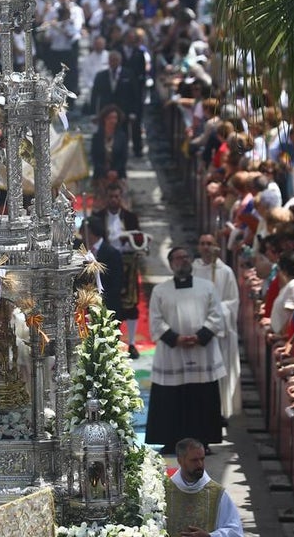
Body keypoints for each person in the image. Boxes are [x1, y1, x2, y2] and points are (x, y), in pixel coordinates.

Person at [147, 247, 226, 454]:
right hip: (173, 353)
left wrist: (200, 336)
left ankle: (203, 441)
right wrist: (176, 338)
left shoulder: (207, 287)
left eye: (186, 257)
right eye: (178, 258)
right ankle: (170, 439)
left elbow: (216, 315)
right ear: (171, 263)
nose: (183, 261)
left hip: (202, 351)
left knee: (201, 397)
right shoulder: (160, 291)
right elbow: (155, 320)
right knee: (171, 398)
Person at [92, 183, 144, 358]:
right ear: (106, 197)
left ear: (121, 197)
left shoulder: (130, 217)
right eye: (111, 196)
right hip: (107, 263)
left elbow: (138, 239)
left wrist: (127, 239)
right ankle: (106, 339)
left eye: (117, 196)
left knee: (130, 302)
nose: (114, 200)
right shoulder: (98, 216)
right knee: (106, 299)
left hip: (127, 262)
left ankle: (131, 343)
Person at [193, 233, 241, 417]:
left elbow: (233, 302)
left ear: (216, 246)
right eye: (202, 243)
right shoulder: (194, 270)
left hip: (220, 332)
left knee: (220, 372)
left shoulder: (225, 272)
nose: (206, 247)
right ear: (198, 247)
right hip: (199, 330)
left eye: (209, 244)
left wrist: (215, 309)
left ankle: (220, 411)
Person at [164, 438, 243, 536]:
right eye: (194, 460)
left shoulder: (218, 494)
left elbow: (235, 531)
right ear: (180, 461)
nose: (200, 464)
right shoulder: (165, 491)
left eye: (202, 459)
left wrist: (210, 536)